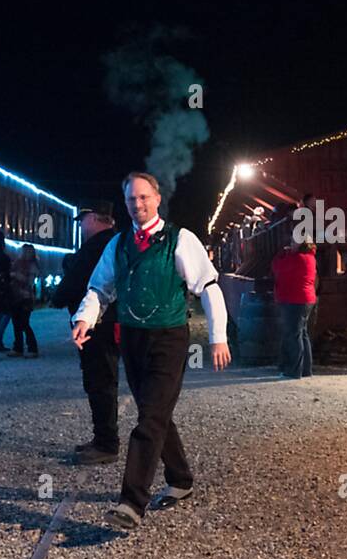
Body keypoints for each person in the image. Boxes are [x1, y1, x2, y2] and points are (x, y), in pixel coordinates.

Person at [72, 172, 230, 530]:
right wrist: (85, 319)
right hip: (132, 336)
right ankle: (181, 478)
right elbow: (99, 289)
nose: (138, 205)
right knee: (153, 411)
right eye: (131, 200)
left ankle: (131, 503)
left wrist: (218, 336)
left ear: (157, 198)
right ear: (125, 203)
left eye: (144, 197)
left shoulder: (181, 239)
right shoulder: (118, 243)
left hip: (169, 338)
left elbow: (208, 286)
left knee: (149, 419)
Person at [52, 200, 122, 463]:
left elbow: (76, 282)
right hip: (105, 322)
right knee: (101, 379)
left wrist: (57, 297)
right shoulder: (113, 242)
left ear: (93, 218)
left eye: (83, 221)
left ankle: (106, 443)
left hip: (98, 325)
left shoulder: (96, 246)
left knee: (100, 380)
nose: (81, 226)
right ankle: (103, 437)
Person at [271, 240, 317, 378]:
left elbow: (277, 267)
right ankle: (306, 369)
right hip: (305, 299)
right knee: (302, 334)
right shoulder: (310, 258)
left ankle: (293, 371)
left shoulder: (297, 258)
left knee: (293, 336)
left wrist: (282, 254)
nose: (290, 244)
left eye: (293, 242)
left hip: (294, 299)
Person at [9, 243, 41, 357]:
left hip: (25, 297)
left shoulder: (31, 266)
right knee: (16, 323)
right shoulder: (18, 263)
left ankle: (32, 348)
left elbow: (29, 281)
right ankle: (18, 347)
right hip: (16, 295)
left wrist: (15, 275)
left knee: (24, 323)